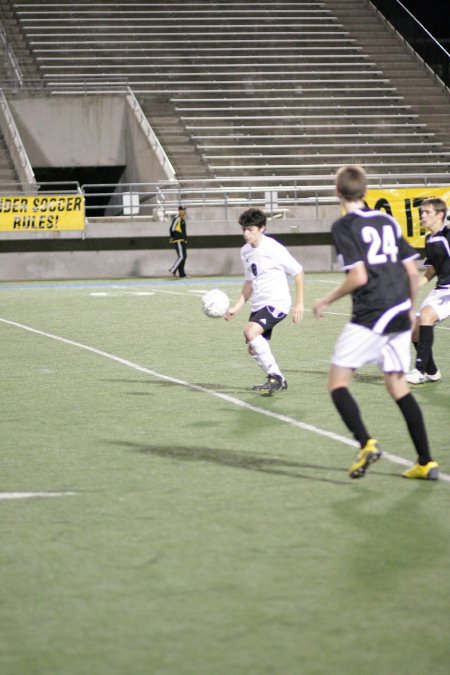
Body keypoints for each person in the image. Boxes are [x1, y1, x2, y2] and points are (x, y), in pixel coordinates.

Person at [313, 165, 439, 480]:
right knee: (398, 386)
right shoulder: (386, 220)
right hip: (398, 312)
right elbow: (411, 271)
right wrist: (410, 311)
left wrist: (326, 299)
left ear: (338, 193)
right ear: (366, 192)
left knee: (337, 383)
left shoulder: (343, 226)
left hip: (371, 314)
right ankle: (426, 461)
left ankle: (366, 443)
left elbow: (358, 275)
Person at [224, 207, 304, 394]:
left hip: (277, 302)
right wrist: (237, 307)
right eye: (244, 229)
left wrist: (299, 303)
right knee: (253, 348)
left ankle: (276, 376)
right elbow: (249, 282)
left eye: (250, 229)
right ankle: (274, 378)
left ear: (262, 228)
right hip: (259, 304)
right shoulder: (245, 251)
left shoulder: (274, 248)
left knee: (250, 331)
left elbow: (298, 271)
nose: (246, 234)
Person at [406, 197, 449, 384]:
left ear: (440, 215)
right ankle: (431, 371)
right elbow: (432, 270)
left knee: (426, 317)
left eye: (427, 212)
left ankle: (419, 371)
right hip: (442, 289)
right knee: (414, 330)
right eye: (422, 212)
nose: (422, 215)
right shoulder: (429, 239)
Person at [169, 206, 188, 278]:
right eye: (182, 210)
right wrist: (172, 237)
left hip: (182, 240)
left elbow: (183, 231)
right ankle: (173, 270)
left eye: (184, 210)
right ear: (179, 211)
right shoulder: (177, 218)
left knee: (184, 257)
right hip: (178, 240)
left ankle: (182, 274)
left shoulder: (182, 219)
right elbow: (172, 228)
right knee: (181, 257)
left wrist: (185, 239)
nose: (184, 211)